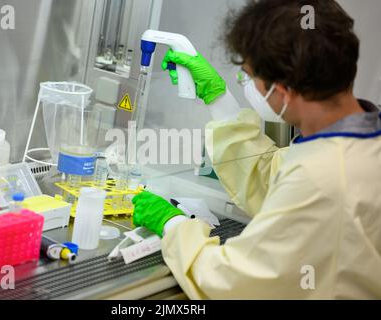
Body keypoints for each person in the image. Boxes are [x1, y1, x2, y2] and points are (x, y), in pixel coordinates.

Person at [131, 0, 381, 299]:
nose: (246, 83)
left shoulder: (326, 178)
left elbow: (231, 283)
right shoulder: (357, 141)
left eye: (249, 76)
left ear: (284, 89)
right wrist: (217, 99)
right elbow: (273, 177)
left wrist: (173, 225)